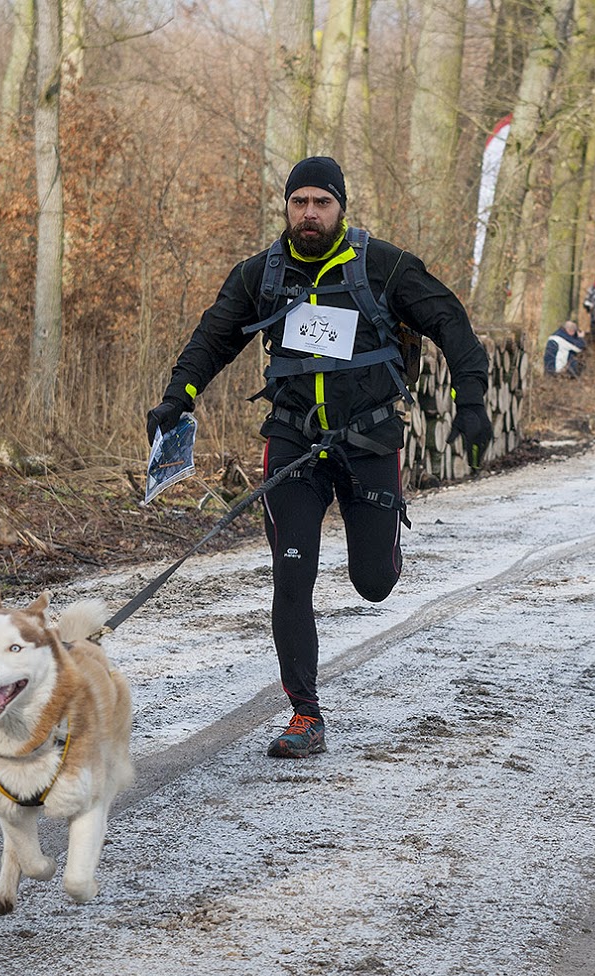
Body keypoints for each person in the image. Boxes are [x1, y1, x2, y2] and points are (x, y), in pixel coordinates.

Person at [145, 156, 491, 759]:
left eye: (321, 202)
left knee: (374, 583)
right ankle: (305, 714)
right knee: (292, 576)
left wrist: (472, 399)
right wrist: (179, 398)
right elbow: (215, 337)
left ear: (341, 208)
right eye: (299, 201)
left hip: (371, 441)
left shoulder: (382, 266)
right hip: (294, 443)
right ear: (286, 207)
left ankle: (384, 546)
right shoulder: (261, 274)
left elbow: (450, 320)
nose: (309, 213)